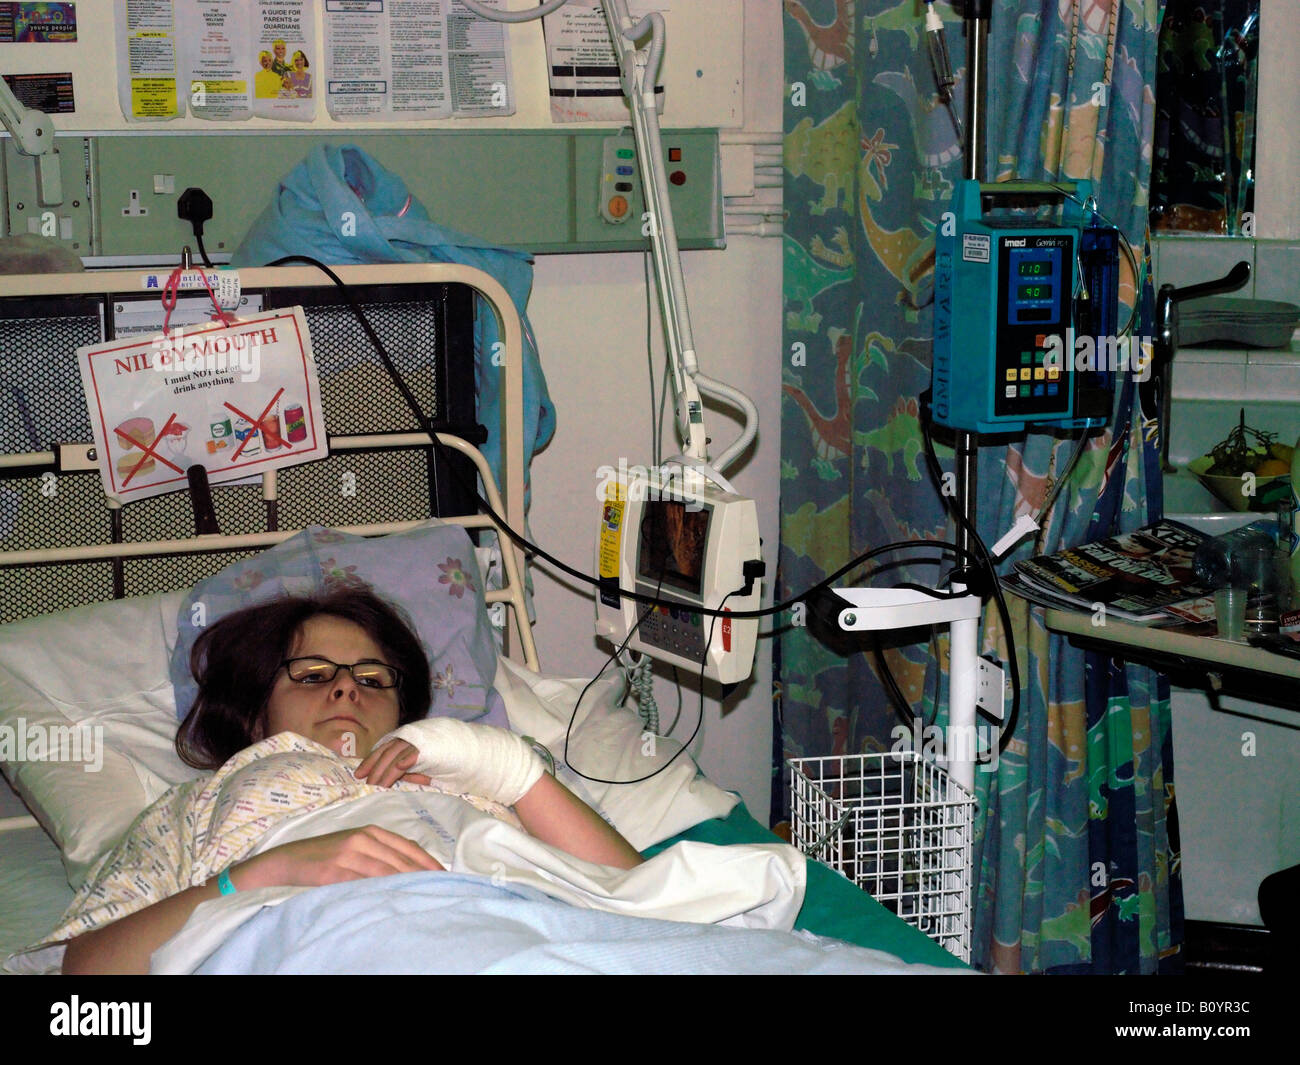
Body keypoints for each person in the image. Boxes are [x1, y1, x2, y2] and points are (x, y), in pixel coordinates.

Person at [58, 588, 642, 974]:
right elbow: (86, 990)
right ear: (257, 712)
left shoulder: (473, 775)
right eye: (312, 676)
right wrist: (262, 873)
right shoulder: (196, 804)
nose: (346, 689)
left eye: (371, 677)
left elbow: (640, 891)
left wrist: (505, 768)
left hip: (539, 929)